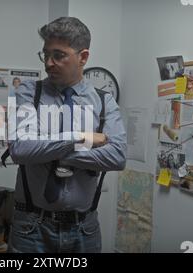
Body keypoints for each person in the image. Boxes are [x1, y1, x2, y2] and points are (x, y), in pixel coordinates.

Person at [7, 17, 127, 253]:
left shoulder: (104, 101)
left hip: (84, 229)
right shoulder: (28, 93)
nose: (48, 63)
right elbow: (20, 150)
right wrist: (80, 138)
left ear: (83, 57)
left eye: (58, 55)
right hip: (31, 227)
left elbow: (117, 157)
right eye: (45, 54)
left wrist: (50, 152)